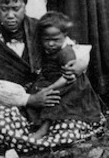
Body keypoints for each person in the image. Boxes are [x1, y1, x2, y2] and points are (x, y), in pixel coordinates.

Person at [0, 0, 102, 152]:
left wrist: (79, 65)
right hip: (9, 101)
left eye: (16, 9)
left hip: (43, 91)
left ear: (25, 5)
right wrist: (31, 100)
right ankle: (41, 135)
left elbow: (70, 47)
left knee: (71, 96)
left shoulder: (37, 27)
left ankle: (39, 133)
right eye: (4, 9)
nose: (10, 15)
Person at [26, 12, 103, 140]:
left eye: (55, 40)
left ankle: (45, 127)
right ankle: (35, 122)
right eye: (47, 40)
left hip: (67, 83)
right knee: (34, 94)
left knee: (54, 99)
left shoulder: (65, 52)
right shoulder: (46, 49)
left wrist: (50, 87)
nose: (51, 44)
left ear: (64, 36)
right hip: (51, 79)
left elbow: (68, 77)